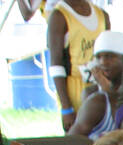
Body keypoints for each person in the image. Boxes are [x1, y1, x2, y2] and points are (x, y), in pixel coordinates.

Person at [46, 0, 109, 130]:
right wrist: (66, 108)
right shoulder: (59, 16)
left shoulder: (102, 15)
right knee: (80, 138)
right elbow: (56, 64)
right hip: (74, 89)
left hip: (101, 85)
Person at [66, 29, 123, 139]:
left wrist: (108, 90)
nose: (103, 62)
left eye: (109, 56)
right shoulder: (93, 96)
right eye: (98, 57)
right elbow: (70, 141)